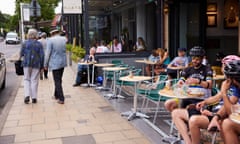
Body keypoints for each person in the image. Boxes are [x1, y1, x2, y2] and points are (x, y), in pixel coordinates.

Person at [177, 55, 240, 144]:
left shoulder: (208, 70)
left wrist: (224, 93)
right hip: (217, 111)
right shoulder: (234, 86)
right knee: (180, 111)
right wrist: (209, 107)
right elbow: (222, 101)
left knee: (225, 123)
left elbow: (230, 112)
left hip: (223, 115)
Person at [165, 46, 213, 112]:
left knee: (189, 108)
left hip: (201, 99)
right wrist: (180, 83)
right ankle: (180, 117)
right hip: (187, 96)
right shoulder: (187, 69)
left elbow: (210, 85)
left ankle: (182, 117)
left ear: (202, 59)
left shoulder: (207, 69)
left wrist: (198, 81)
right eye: (193, 58)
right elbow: (181, 80)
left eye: (197, 59)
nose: (194, 61)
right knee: (169, 104)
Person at [207, 60, 240, 144]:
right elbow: (232, 108)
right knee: (223, 122)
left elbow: (231, 113)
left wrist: (224, 92)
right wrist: (216, 117)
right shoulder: (237, 88)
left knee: (227, 124)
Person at [20, 28, 45, 104]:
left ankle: (27, 95)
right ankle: (34, 97)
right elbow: (42, 55)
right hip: (36, 64)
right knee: (34, 80)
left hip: (26, 64)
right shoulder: (39, 44)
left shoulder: (25, 43)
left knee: (26, 79)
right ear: (36, 35)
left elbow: (21, 53)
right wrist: (42, 66)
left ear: (28, 34)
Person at [44, 28, 67, 104]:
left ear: (52, 33)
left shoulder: (50, 40)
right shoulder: (64, 39)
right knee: (59, 79)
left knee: (57, 81)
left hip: (55, 63)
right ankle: (56, 94)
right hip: (63, 62)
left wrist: (45, 64)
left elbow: (47, 53)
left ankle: (61, 98)